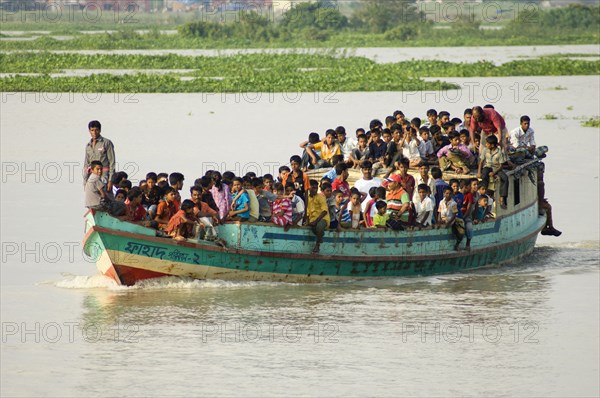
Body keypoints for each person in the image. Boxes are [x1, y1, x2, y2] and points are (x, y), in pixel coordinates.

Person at [83, 120, 116, 192]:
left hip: (104, 175)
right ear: (89, 131)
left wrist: (111, 180)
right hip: (92, 176)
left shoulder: (106, 143)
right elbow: (86, 164)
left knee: (104, 197)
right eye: (92, 130)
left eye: (96, 130)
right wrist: (85, 181)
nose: (94, 132)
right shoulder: (88, 146)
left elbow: (112, 162)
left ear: (100, 130)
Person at [478, 135, 509, 209]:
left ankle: (502, 198)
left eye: (488, 144)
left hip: (496, 168)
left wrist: (494, 173)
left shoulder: (499, 152)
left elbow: (501, 165)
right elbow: (481, 161)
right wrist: (479, 172)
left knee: (505, 178)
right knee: (484, 173)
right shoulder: (485, 150)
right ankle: (483, 191)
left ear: (492, 145)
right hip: (488, 166)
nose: (486, 145)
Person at [305, 180, 330, 253]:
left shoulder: (321, 197)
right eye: (313, 188)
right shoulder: (307, 198)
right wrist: (307, 221)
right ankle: (320, 237)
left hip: (323, 219)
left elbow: (325, 211)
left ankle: (317, 244)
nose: (315, 190)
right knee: (313, 229)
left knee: (319, 227)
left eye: (316, 188)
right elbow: (306, 211)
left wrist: (316, 221)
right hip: (312, 220)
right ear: (309, 188)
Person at [437, 186, 464, 251]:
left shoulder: (453, 203)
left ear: (452, 194)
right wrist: (438, 220)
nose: (448, 195)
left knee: (461, 232)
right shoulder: (441, 202)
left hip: (451, 220)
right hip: (443, 219)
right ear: (444, 193)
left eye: (449, 193)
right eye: (446, 193)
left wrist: (448, 223)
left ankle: (457, 244)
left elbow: (454, 215)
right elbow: (439, 212)